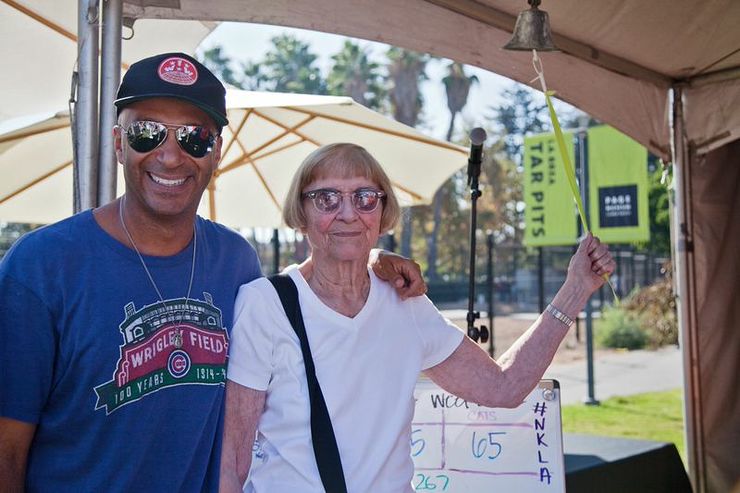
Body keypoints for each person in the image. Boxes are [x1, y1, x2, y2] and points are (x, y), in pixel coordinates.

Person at [0, 53, 423, 492]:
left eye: (194, 138)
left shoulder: (235, 260)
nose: (170, 155)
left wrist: (372, 261)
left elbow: (304, 295)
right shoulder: (41, 266)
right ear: (118, 143)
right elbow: (7, 450)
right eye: (147, 133)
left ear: (216, 151)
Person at [219, 143, 615, 492]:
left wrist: (576, 289)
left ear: (382, 212)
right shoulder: (265, 305)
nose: (347, 213)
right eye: (326, 199)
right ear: (301, 213)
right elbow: (232, 464)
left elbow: (505, 388)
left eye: (365, 197)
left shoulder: (404, 301)